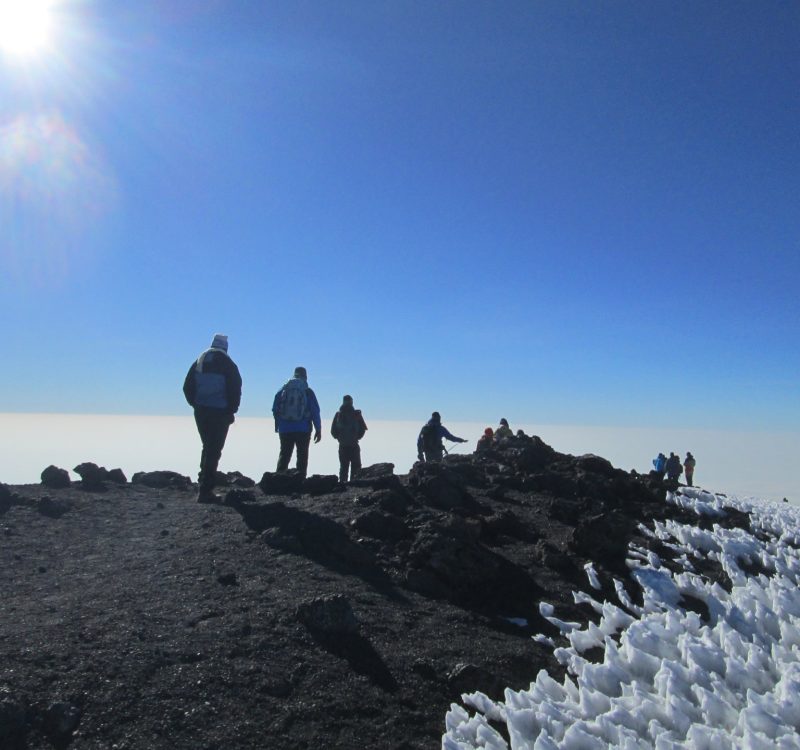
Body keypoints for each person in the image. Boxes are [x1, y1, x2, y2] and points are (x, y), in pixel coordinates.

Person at [183, 334, 242, 502]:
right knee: (213, 449)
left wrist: (196, 405)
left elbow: (187, 387)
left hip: (201, 412)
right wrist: (231, 411)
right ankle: (205, 491)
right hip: (220, 413)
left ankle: (204, 484)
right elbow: (235, 389)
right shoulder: (228, 363)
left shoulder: (200, 361)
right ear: (225, 347)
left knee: (208, 447)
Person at [272, 366, 321, 479]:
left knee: (284, 454)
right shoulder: (307, 391)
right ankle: (300, 479)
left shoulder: (283, 389)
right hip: (303, 428)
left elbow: (275, 408)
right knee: (302, 455)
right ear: (305, 376)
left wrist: (279, 424)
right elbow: (315, 411)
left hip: (285, 429)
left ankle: (278, 479)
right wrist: (318, 429)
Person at [331, 395, 368, 483]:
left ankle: (342, 485)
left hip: (343, 446)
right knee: (356, 467)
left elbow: (333, 431)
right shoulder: (356, 414)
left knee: (343, 467)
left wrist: (339, 438)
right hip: (354, 445)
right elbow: (363, 428)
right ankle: (353, 484)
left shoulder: (338, 414)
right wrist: (356, 437)